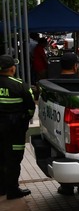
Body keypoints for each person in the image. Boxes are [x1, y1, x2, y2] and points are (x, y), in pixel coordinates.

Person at [53, 53, 79, 195]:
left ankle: (66, 187)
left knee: (62, 152)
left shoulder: (53, 82)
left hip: (58, 125)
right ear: (75, 66)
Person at [0, 55, 35, 199]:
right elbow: (31, 108)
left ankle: (1, 188)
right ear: (12, 69)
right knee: (14, 159)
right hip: (15, 131)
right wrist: (24, 121)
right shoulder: (21, 85)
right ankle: (12, 190)